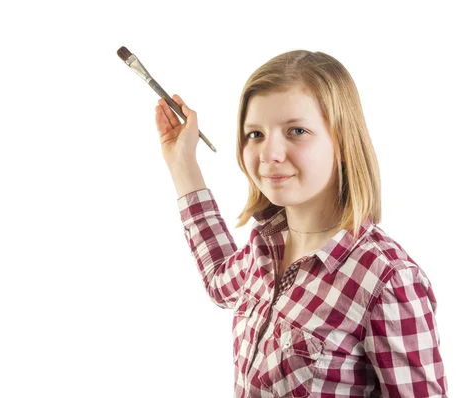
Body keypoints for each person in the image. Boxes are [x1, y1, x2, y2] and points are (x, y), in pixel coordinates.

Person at [154, 50, 447, 397]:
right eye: (255, 134)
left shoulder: (386, 280)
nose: (268, 154)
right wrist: (181, 162)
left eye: (296, 130)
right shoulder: (266, 246)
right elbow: (220, 281)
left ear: (342, 141)